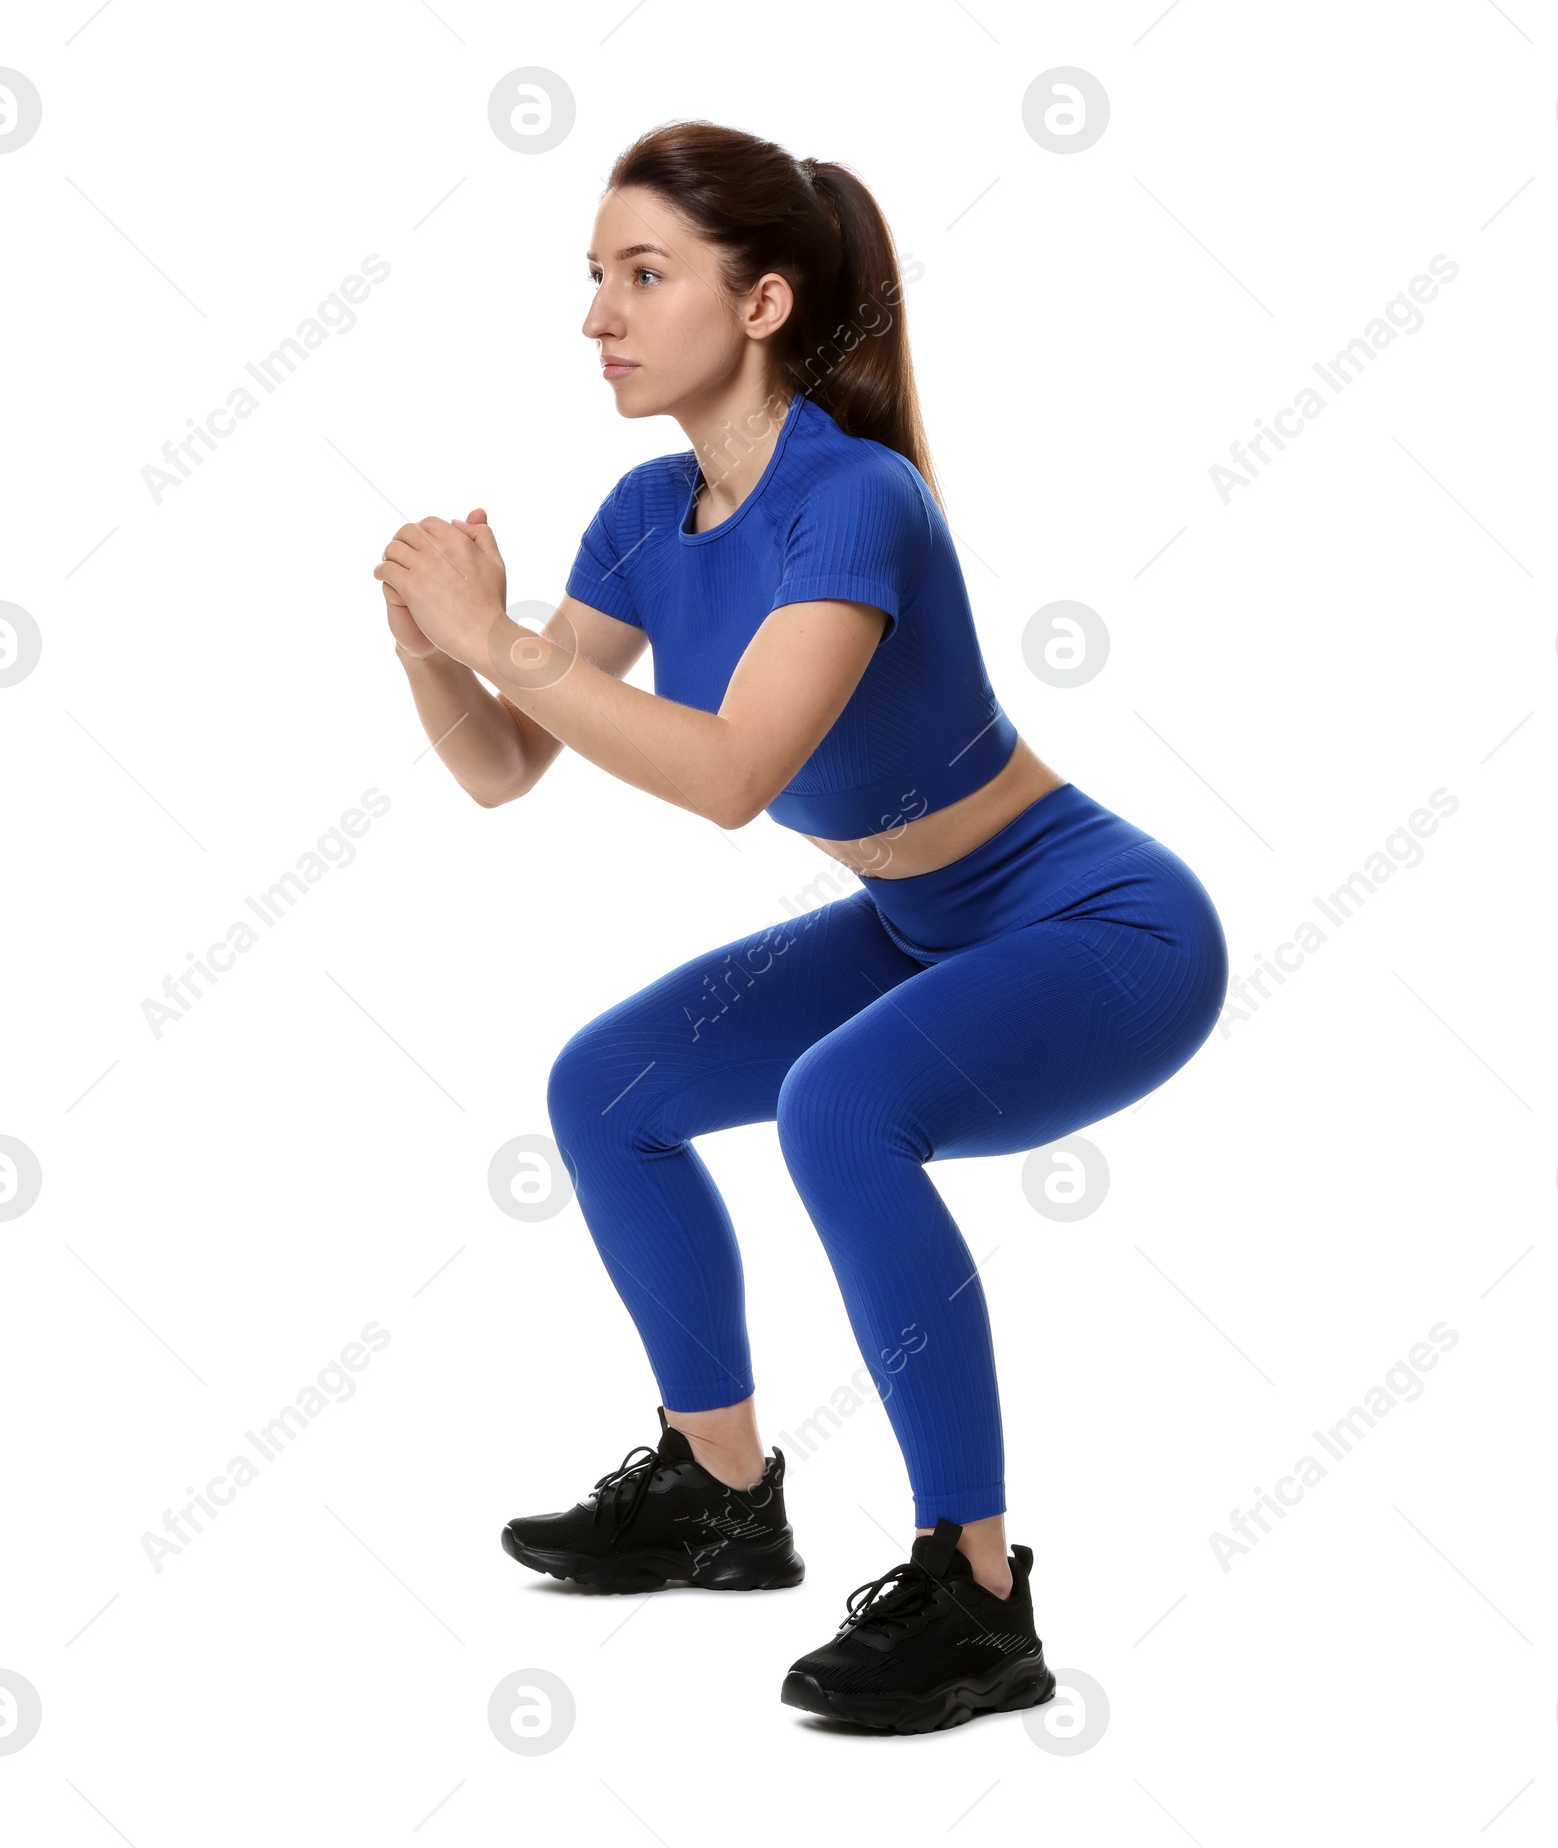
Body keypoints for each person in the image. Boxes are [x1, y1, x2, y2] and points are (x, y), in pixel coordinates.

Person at [372, 118, 1229, 1735]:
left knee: (845, 1108)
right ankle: (717, 1491)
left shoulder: (858, 499)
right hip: (915, 923)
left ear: (760, 304)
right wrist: (434, 646)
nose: (599, 317)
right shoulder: (645, 511)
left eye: (644, 275)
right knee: (609, 1091)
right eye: (595, 277)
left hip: (1098, 922)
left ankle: (975, 1598)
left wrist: (499, 632)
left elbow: (731, 776)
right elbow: (505, 767)